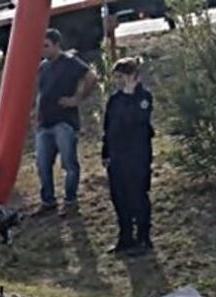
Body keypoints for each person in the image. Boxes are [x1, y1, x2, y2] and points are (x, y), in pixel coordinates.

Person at [35, 29, 97, 214]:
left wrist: (77, 99)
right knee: (42, 165)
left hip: (64, 122)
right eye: (41, 46)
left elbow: (91, 77)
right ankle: (48, 201)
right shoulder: (43, 66)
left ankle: (70, 200)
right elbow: (41, 93)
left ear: (57, 45)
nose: (43, 50)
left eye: (46, 46)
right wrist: (35, 113)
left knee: (69, 163)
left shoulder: (70, 62)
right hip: (44, 123)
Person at [102, 57, 155, 255]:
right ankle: (125, 238)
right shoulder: (114, 100)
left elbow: (136, 120)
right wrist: (106, 151)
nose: (118, 81)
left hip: (138, 155)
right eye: (116, 77)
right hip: (117, 156)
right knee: (119, 197)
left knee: (137, 195)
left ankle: (143, 238)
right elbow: (109, 127)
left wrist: (131, 93)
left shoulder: (143, 98)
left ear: (133, 76)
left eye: (122, 76)